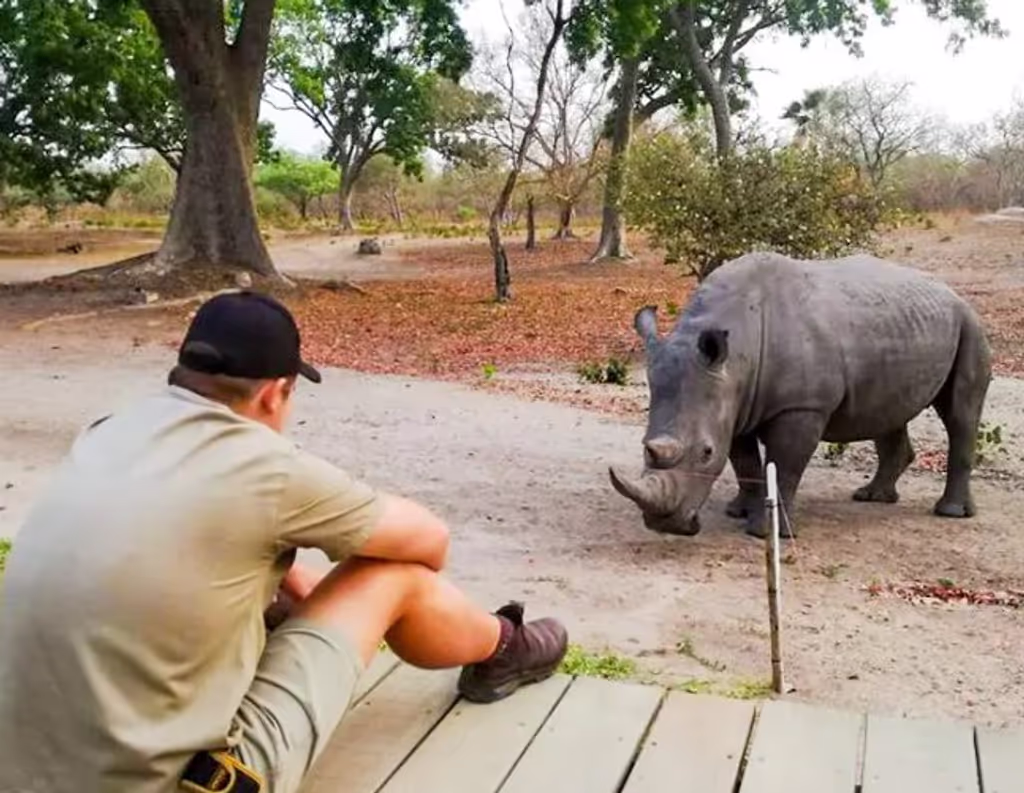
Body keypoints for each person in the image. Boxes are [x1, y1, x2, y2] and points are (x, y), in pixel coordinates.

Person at [0, 290, 569, 793]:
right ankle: (504, 650)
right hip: (185, 783)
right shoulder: (265, 468)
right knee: (391, 575)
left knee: (255, 567)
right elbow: (430, 542)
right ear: (276, 393)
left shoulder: (106, 431)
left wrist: (291, 572)